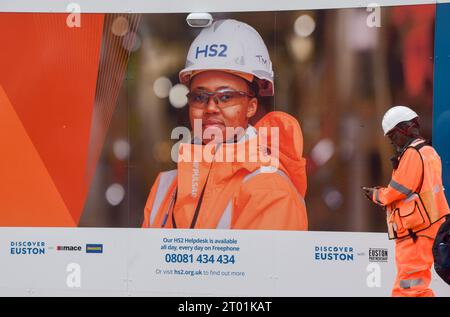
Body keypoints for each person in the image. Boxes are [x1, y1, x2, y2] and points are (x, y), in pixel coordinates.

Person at [142, 19, 308, 230]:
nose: (211, 107)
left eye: (226, 96)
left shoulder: (271, 190)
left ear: (251, 106)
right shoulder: (165, 188)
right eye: (200, 97)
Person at [363, 105, 450, 297]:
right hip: (426, 229)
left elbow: (396, 191)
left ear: (405, 129)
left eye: (393, 136)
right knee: (406, 287)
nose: (393, 142)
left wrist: (376, 194)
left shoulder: (412, 153)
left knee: (412, 288)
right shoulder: (429, 152)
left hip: (415, 232)